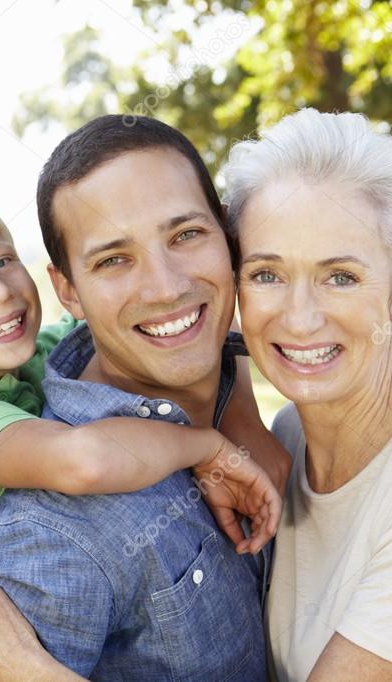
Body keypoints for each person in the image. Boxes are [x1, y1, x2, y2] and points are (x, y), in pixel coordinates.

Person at [0, 115, 291, 681]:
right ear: (68, 290)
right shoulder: (59, 528)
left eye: (185, 235)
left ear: (229, 236)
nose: (165, 287)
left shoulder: (271, 399)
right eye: (113, 259)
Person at [223, 108, 392, 680]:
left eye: (340, 276)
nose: (298, 320)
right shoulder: (288, 433)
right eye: (267, 274)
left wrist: (23, 672)